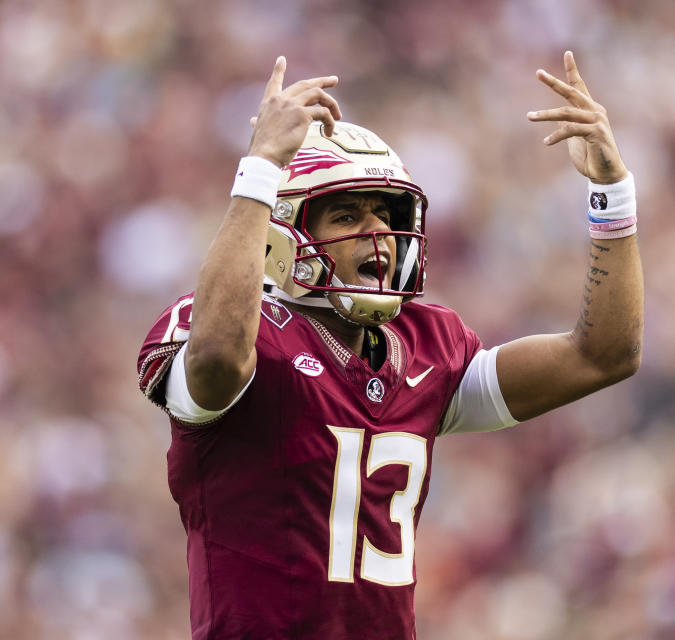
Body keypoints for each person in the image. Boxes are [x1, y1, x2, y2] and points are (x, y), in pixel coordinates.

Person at [137, 51, 643, 639]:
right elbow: (220, 357)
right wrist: (260, 170)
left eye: (386, 212)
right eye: (347, 214)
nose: (377, 232)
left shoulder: (425, 347)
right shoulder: (235, 337)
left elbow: (602, 355)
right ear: (283, 231)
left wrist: (613, 192)